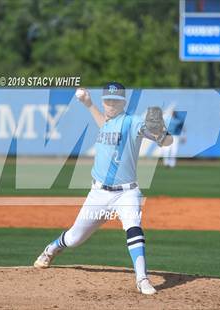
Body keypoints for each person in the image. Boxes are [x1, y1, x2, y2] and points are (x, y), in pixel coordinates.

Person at [33, 82, 172, 295]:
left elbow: (166, 141)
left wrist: (160, 133)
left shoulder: (132, 122)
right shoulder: (107, 123)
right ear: (103, 101)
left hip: (127, 193)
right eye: (107, 100)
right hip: (98, 194)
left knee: (134, 226)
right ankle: (51, 249)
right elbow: (103, 124)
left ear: (123, 102)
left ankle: (142, 278)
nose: (111, 104)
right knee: (74, 238)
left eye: (115, 101)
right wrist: (88, 103)